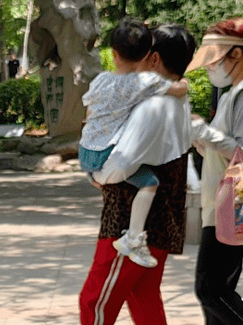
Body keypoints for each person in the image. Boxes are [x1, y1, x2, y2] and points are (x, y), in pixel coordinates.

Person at [45, 24, 196, 325]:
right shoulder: (177, 100)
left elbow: (124, 159)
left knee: (95, 299)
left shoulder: (152, 106)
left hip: (129, 224)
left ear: (153, 58)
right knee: (144, 299)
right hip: (161, 217)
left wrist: (98, 176)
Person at [173, 18, 243, 325]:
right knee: (219, 287)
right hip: (222, 204)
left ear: (236, 54)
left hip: (230, 205)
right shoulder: (236, 92)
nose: (210, 65)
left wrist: (203, 132)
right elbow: (225, 148)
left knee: (210, 289)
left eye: (215, 57)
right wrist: (202, 137)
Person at [78, 19, 189, 268]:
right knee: (149, 183)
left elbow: (89, 111)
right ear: (149, 56)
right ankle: (134, 238)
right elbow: (177, 89)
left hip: (86, 152)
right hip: (107, 160)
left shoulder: (101, 80)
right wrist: (185, 84)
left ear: (113, 54)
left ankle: (92, 173)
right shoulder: (144, 84)